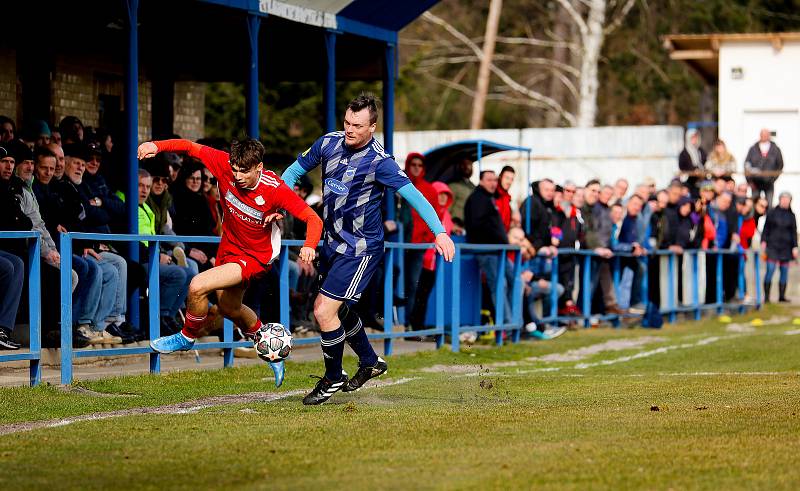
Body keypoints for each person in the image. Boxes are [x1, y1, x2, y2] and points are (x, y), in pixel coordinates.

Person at [281, 94, 454, 404]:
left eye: (357, 126)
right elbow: (292, 174)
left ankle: (333, 376)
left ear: (372, 127)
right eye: (347, 122)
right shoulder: (328, 144)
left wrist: (439, 233)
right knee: (339, 310)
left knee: (323, 311)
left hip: (360, 249)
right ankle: (370, 362)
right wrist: (279, 204)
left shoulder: (381, 162)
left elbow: (414, 197)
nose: (349, 130)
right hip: (332, 245)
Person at [139, 137, 324, 389]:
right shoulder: (224, 163)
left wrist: (309, 246)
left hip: (255, 256)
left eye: (244, 171)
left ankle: (187, 336)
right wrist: (156, 146)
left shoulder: (275, 188)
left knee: (197, 285)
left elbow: (314, 220)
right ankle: (271, 351)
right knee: (229, 307)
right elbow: (190, 147)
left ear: (259, 167)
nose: (236, 176)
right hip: (229, 247)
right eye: (234, 169)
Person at [137, 169, 195, 331]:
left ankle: (170, 315)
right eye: (140, 186)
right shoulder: (128, 207)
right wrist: (157, 256)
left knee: (189, 273)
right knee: (178, 274)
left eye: (147, 187)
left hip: (151, 257)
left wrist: (163, 253)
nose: (144, 190)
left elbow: (154, 238)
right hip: (140, 260)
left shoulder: (147, 210)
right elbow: (135, 243)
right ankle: (160, 317)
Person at [464, 170, 515, 325]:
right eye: (489, 180)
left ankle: (515, 322)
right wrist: (499, 238)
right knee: (499, 286)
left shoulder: (488, 198)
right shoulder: (477, 198)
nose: (493, 183)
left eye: (494, 180)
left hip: (498, 251)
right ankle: (507, 325)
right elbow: (478, 226)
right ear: (481, 181)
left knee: (515, 281)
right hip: (487, 252)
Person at [401, 152, 438, 322]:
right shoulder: (398, 184)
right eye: (413, 164)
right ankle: (397, 321)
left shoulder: (429, 189)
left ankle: (409, 322)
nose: (416, 168)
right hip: (399, 243)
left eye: (420, 165)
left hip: (418, 247)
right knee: (395, 282)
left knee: (413, 284)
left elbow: (434, 216)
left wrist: (427, 240)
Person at [761, 192, 797, 303]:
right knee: (770, 270)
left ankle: (782, 297)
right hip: (772, 246)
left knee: (784, 272)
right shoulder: (772, 213)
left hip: (786, 248)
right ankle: (766, 297)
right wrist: (763, 240)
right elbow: (766, 228)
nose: (786, 201)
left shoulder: (792, 215)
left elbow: (794, 233)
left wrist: (795, 247)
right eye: (784, 199)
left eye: (788, 199)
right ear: (780, 199)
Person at [745, 129, 784, 207]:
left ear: (769, 136)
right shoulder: (753, 148)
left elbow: (780, 165)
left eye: (766, 135)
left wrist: (773, 178)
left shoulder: (775, 149)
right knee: (754, 205)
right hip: (755, 182)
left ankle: (769, 219)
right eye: (762, 134)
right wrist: (749, 181)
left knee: (769, 206)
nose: (764, 136)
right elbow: (747, 165)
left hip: (769, 183)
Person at [678, 128, 707, 196]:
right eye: (692, 138)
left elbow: (704, 162)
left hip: (700, 179)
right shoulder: (684, 152)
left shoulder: (700, 151)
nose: (694, 140)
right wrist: (693, 170)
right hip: (688, 179)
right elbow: (682, 166)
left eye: (696, 137)